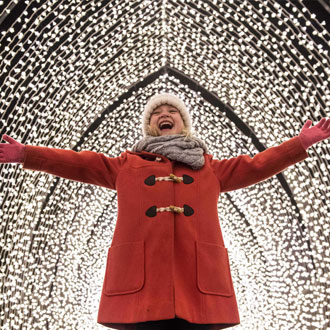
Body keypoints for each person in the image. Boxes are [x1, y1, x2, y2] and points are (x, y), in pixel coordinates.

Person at [0, 93, 329, 330]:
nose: (164, 114)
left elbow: (257, 165)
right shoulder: (125, 166)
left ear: (183, 123)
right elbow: (79, 163)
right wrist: (26, 154)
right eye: (157, 113)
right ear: (151, 126)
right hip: (140, 284)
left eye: (172, 111)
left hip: (197, 283)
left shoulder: (210, 168)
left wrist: (299, 144)